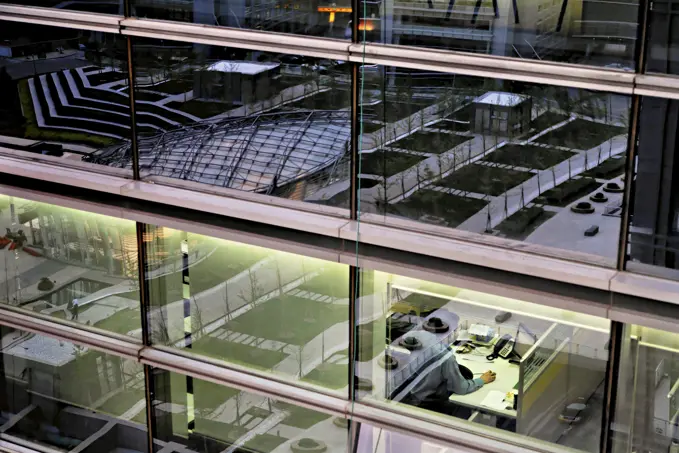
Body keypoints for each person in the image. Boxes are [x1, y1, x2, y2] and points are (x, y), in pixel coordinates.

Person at [403, 330, 496, 419]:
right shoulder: (445, 357)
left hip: (410, 397)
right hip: (430, 403)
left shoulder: (413, 338)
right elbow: (461, 388)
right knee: (467, 403)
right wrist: (482, 380)